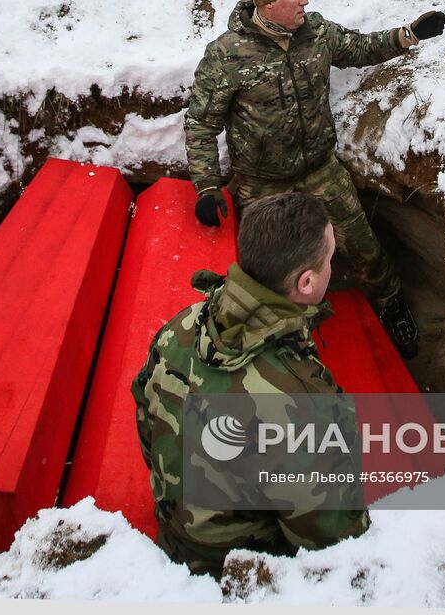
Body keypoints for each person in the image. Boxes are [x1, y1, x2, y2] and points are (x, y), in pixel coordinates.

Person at [184, 0, 445, 358]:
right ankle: (280, 339)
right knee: (273, 270)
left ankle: (391, 305)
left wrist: (408, 35)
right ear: (269, 4)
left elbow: (361, 48)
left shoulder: (317, 33)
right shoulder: (228, 56)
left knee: (364, 246)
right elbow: (201, 123)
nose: (305, 0)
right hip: (262, 183)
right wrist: (205, 185)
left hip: (321, 170)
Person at [131, 192, 370, 577]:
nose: (332, 265)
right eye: (329, 259)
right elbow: (333, 541)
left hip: (176, 538)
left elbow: (146, 420)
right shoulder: (300, 403)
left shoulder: (183, 325)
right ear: (307, 282)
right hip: (244, 573)